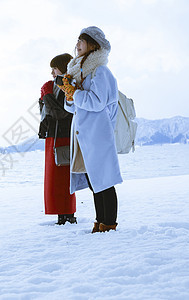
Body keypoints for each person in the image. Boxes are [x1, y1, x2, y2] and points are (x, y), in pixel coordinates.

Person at [58, 26, 122, 232]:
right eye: (76, 41)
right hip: (84, 133)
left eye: (81, 41)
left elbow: (96, 102)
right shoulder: (80, 70)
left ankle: (108, 223)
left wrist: (74, 92)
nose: (76, 45)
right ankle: (100, 221)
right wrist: (69, 96)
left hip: (98, 133)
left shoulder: (100, 71)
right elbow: (74, 106)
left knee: (104, 179)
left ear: (93, 44)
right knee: (94, 178)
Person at [38, 53, 76, 225]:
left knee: (63, 178)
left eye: (54, 68)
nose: (52, 72)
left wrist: (46, 95)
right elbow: (45, 113)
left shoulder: (69, 84)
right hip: (53, 136)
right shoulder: (54, 85)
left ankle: (68, 214)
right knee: (53, 179)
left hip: (64, 136)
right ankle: (61, 214)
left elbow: (60, 112)